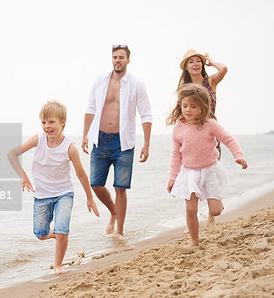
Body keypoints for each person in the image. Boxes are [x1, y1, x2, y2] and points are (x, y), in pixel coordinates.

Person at [8, 100, 100, 274]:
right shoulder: (38, 139)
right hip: (42, 195)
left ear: (62, 122)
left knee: (62, 229)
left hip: (64, 193)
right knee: (41, 233)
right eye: (43, 122)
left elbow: (81, 174)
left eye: (51, 122)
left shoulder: (70, 148)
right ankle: (58, 235)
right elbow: (12, 154)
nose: (47, 126)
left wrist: (89, 197)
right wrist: (23, 175)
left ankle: (58, 264)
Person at [82, 44, 152, 237]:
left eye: (121, 57)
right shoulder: (100, 80)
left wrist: (146, 143)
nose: (117, 60)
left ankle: (119, 232)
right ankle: (113, 212)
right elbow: (90, 107)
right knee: (96, 184)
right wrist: (85, 135)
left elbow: (146, 114)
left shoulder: (137, 83)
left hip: (124, 143)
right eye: (115, 57)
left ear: (128, 60)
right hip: (100, 139)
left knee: (120, 188)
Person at [166, 84, 248, 247]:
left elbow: (228, 139)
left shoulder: (210, 124)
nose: (188, 110)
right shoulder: (178, 130)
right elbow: (176, 155)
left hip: (210, 169)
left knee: (216, 211)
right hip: (189, 172)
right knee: (190, 209)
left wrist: (238, 156)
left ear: (202, 107)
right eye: (185, 106)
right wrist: (172, 177)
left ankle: (217, 203)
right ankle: (195, 241)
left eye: (193, 106)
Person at [178, 48, 228, 226]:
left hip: (210, 132)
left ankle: (211, 216)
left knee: (210, 173)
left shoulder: (210, 82)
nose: (195, 64)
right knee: (192, 175)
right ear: (186, 67)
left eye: (198, 61)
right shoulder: (184, 89)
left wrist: (211, 61)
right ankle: (193, 219)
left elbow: (223, 69)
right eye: (191, 62)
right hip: (192, 135)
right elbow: (181, 113)